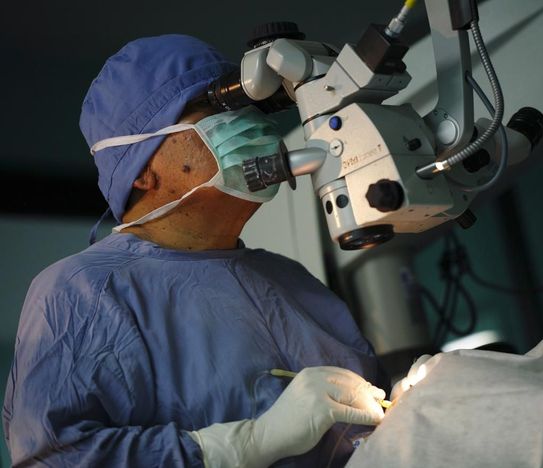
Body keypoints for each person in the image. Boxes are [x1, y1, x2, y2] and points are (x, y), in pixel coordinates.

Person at [2, 34, 386, 467]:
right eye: (215, 112)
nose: (248, 124)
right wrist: (247, 443)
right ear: (141, 170)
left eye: (243, 106)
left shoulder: (295, 285)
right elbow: (53, 460)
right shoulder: (81, 294)